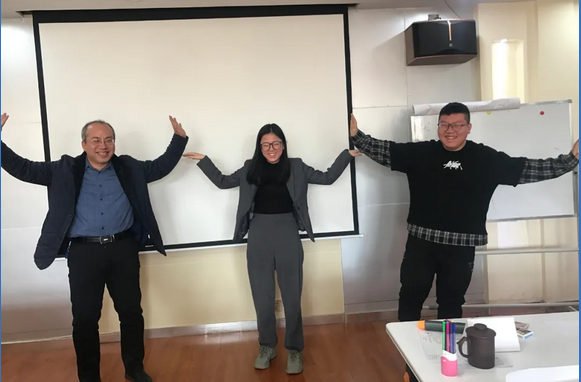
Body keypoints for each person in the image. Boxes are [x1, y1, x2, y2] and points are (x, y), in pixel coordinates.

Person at [350, 102, 579, 382]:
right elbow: (384, 150)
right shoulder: (420, 153)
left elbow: (530, 169)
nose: (451, 130)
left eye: (457, 125)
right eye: (445, 125)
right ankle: (411, 363)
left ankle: (446, 362)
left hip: (461, 248)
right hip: (421, 243)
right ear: (438, 127)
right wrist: (356, 135)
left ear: (469, 128)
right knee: (409, 300)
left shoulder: (486, 158)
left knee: (451, 306)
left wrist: (570, 160)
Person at [1, 113, 188, 382]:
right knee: (85, 320)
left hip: (122, 250)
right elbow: (23, 168)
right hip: (83, 253)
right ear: (84, 145)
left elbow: (160, 167)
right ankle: (89, 377)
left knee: (131, 313)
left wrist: (179, 139)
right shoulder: (64, 169)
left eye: (109, 140)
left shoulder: (128, 167)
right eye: (96, 140)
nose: (103, 145)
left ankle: (134, 369)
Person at [183, 123, 359, 375]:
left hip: (288, 231)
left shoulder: (296, 166)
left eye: (275, 143)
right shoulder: (250, 168)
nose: (271, 148)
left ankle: (295, 349)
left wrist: (347, 155)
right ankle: (267, 346)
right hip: (259, 234)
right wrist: (204, 160)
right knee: (262, 297)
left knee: (292, 297)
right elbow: (223, 182)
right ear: (259, 147)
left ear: (283, 145)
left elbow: (328, 177)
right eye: (265, 144)